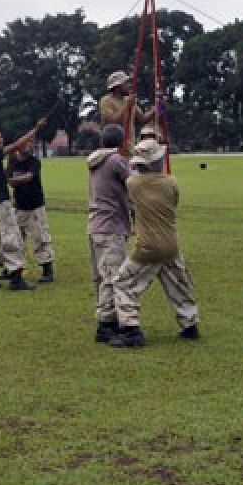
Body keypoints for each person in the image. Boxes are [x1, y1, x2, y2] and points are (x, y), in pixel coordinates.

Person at [107, 139, 199, 348]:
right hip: (171, 243)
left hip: (147, 246)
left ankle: (130, 328)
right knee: (178, 284)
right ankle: (189, 323)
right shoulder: (171, 182)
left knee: (122, 283)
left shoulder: (133, 184)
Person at [0, 121, 46, 291]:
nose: (1, 139)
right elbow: (16, 145)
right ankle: (16, 279)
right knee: (10, 238)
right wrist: (36, 129)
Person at [86, 125, 132, 343]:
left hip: (96, 225)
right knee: (113, 276)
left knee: (102, 276)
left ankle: (106, 317)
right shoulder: (116, 161)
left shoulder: (96, 160)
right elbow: (135, 184)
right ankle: (106, 323)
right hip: (111, 225)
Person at [7, 137, 55, 283]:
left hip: (34, 207)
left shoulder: (34, 162)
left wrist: (12, 181)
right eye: (25, 144)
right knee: (16, 239)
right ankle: (14, 269)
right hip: (19, 207)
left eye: (30, 144)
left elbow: (28, 177)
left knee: (40, 238)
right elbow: (8, 176)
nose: (29, 146)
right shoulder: (13, 162)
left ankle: (47, 270)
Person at [99, 71, 153, 136]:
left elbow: (143, 119)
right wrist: (127, 105)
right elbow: (112, 122)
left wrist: (157, 108)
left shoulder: (128, 100)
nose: (129, 85)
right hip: (113, 142)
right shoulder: (106, 101)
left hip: (129, 142)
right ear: (117, 87)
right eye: (126, 83)